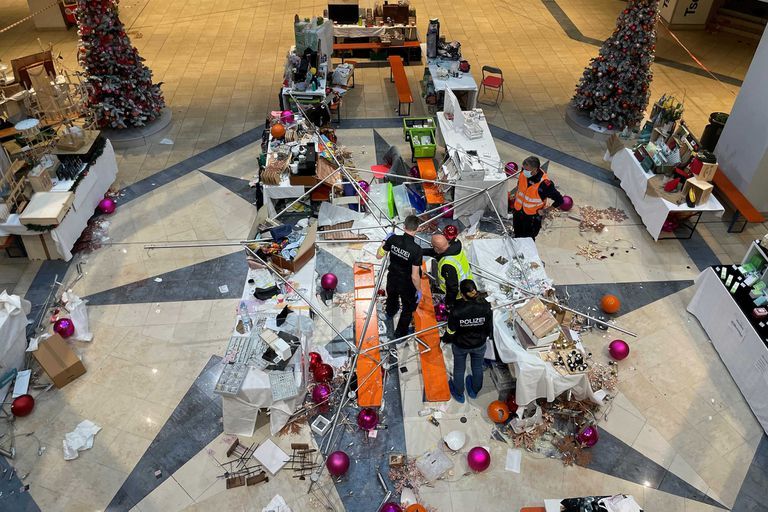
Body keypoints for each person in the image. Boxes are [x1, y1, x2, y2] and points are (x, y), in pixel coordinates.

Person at [443, 279, 493, 403]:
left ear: (462, 293)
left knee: (459, 369)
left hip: (461, 345)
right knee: (477, 367)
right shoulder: (485, 306)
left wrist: (444, 340)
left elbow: (450, 331)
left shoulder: (457, 310)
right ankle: (475, 390)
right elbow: (489, 327)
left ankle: (459, 393)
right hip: (479, 344)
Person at [377, 215, 423, 340]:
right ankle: (400, 333)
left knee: (392, 297)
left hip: (392, 278)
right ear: (417, 229)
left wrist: (384, 242)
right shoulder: (417, 250)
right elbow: (415, 276)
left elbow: (378, 256)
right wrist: (419, 290)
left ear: (404, 226)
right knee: (408, 309)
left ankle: (390, 312)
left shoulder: (393, 240)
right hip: (407, 284)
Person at [511, 156, 564, 240]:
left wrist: (545, 211)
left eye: (527, 170)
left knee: (528, 240)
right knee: (517, 235)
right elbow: (520, 184)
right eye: (523, 168)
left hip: (531, 218)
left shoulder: (545, 184)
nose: (524, 171)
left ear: (535, 170)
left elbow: (560, 200)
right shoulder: (523, 172)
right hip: (518, 212)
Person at [427, 234, 472, 309]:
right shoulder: (455, 246)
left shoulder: (447, 264)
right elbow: (437, 252)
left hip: (459, 295)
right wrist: (420, 251)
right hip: (468, 285)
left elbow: (452, 288)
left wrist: (449, 303)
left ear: (436, 248)